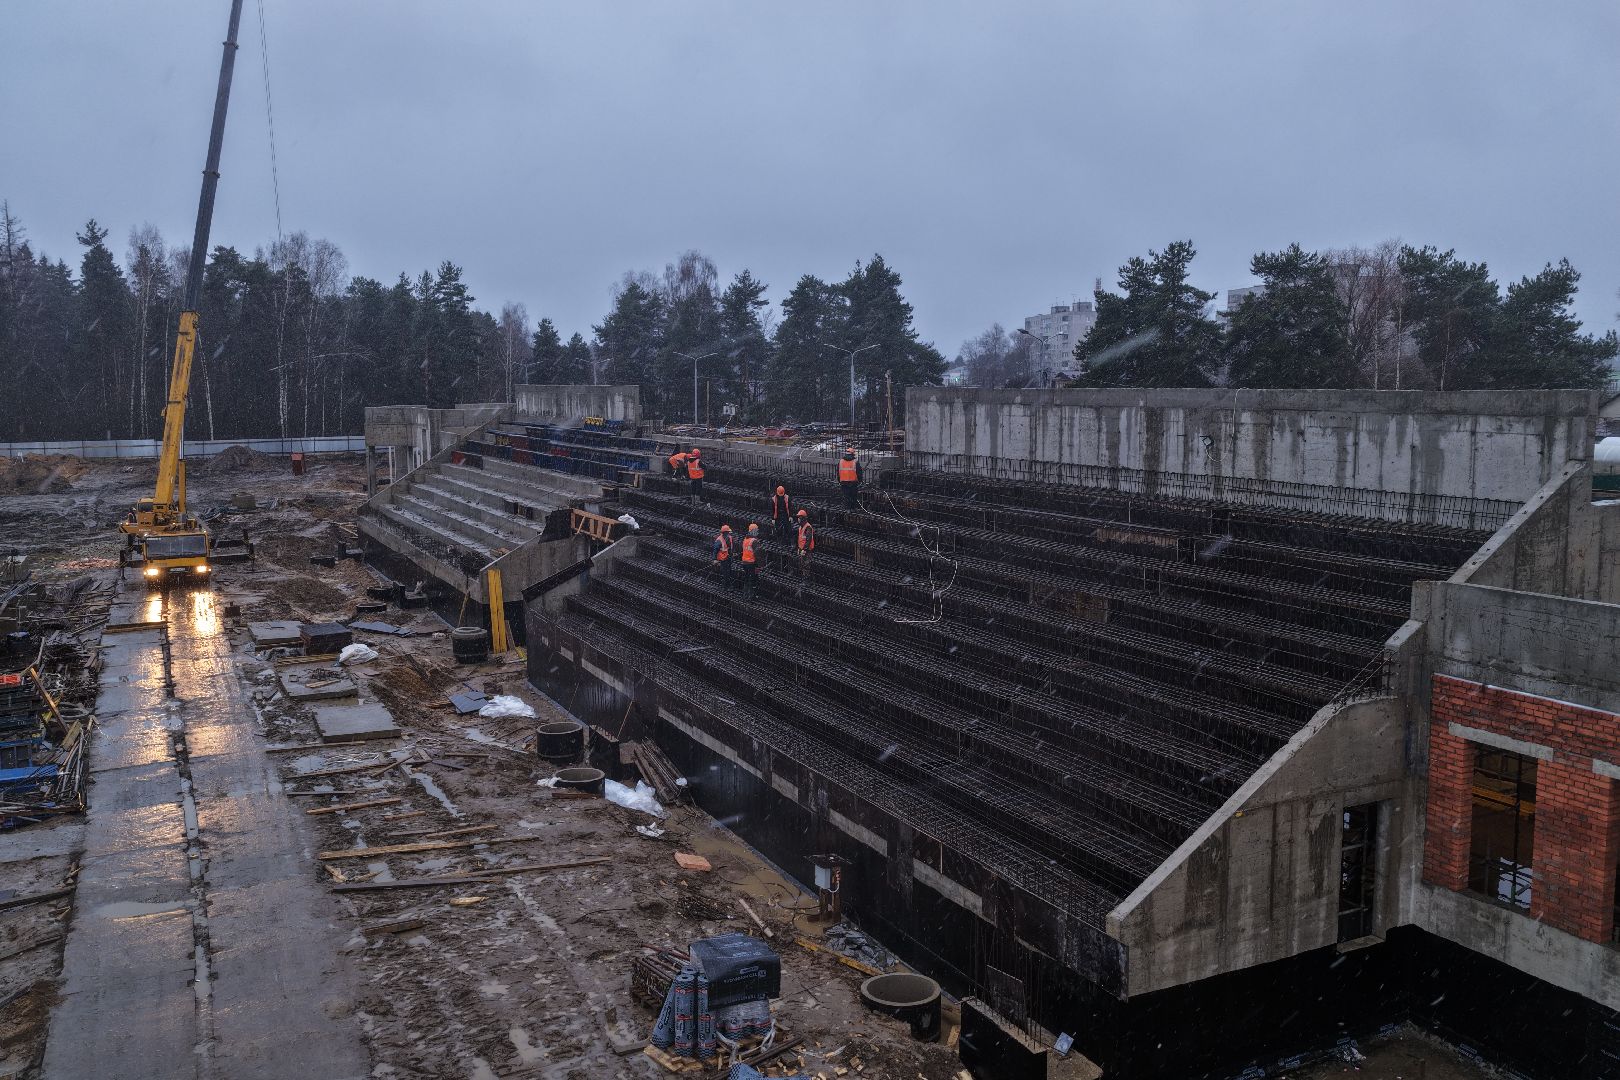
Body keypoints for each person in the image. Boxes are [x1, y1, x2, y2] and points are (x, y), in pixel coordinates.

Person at [740, 523, 762, 599]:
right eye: (756, 530)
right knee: (753, 580)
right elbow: (757, 555)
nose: (757, 532)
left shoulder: (745, 539)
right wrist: (759, 566)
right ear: (752, 531)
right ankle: (751, 597)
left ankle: (745, 595)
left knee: (746, 579)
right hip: (751, 563)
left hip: (744, 563)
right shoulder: (754, 541)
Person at [713, 524, 735, 591]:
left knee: (729, 573)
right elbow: (715, 550)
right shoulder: (719, 540)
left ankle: (728, 586)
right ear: (724, 533)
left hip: (729, 558)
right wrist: (714, 559)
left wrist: (732, 553)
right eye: (728, 532)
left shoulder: (730, 538)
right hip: (723, 560)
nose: (729, 534)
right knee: (725, 574)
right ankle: (725, 587)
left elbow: (730, 547)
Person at [794, 509, 815, 579]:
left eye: (799, 518)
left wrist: (804, 550)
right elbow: (800, 539)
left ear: (803, 518)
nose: (798, 519)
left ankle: (806, 579)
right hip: (801, 549)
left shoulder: (808, 527)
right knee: (801, 564)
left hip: (806, 550)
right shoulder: (801, 527)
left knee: (806, 565)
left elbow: (808, 540)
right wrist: (799, 548)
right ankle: (803, 577)